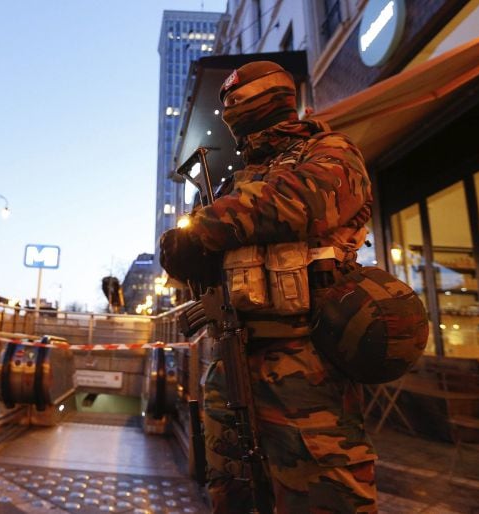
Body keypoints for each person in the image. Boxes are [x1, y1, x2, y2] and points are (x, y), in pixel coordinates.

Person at [159, 61, 377, 513]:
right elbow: (195, 266)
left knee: (323, 494)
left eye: (241, 102)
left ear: (276, 99)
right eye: (229, 107)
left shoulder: (327, 150)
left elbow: (299, 200)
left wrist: (202, 229)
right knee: (231, 489)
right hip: (231, 362)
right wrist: (181, 251)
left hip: (306, 363)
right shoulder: (232, 182)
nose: (233, 114)